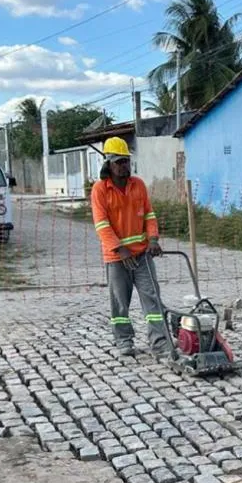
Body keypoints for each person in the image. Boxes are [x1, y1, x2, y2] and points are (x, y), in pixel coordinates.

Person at [90, 137, 172, 358]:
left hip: (142, 255)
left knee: (152, 298)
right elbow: (101, 224)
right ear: (108, 163)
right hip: (117, 258)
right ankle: (124, 340)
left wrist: (153, 239)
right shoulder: (100, 190)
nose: (124, 165)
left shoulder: (138, 185)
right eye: (119, 161)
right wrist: (119, 249)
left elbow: (149, 215)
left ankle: (160, 342)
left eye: (126, 160)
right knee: (120, 303)